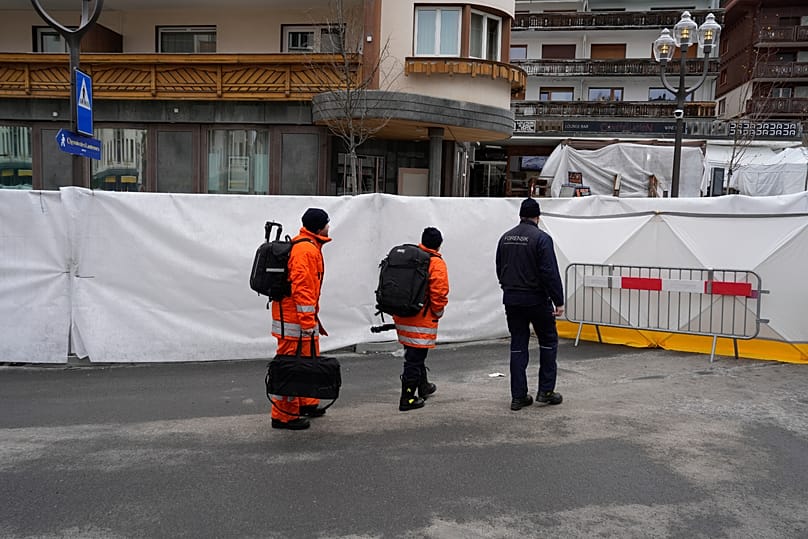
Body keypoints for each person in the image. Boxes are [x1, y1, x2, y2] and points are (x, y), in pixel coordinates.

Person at [495, 198, 564, 411]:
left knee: (518, 345)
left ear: (520, 215)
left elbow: (499, 267)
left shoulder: (505, 238)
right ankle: (546, 390)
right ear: (538, 217)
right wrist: (558, 301)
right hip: (536, 299)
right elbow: (549, 272)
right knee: (548, 341)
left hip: (512, 299)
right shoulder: (542, 239)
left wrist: (508, 288)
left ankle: (518, 396)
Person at [270, 207, 332, 430]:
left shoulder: (308, 246)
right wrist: (307, 323)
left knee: (306, 363)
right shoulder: (305, 250)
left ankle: (305, 403)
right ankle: (283, 416)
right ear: (318, 227)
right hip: (295, 321)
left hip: (298, 319)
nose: (328, 226)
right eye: (326, 223)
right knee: (290, 366)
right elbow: (303, 289)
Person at [394, 227, 450, 411]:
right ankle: (408, 398)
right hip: (421, 319)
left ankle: (423, 386)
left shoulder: (411, 257)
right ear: (439, 245)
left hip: (402, 316)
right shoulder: (435, 263)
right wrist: (438, 312)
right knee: (415, 357)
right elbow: (439, 293)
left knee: (415, 352)